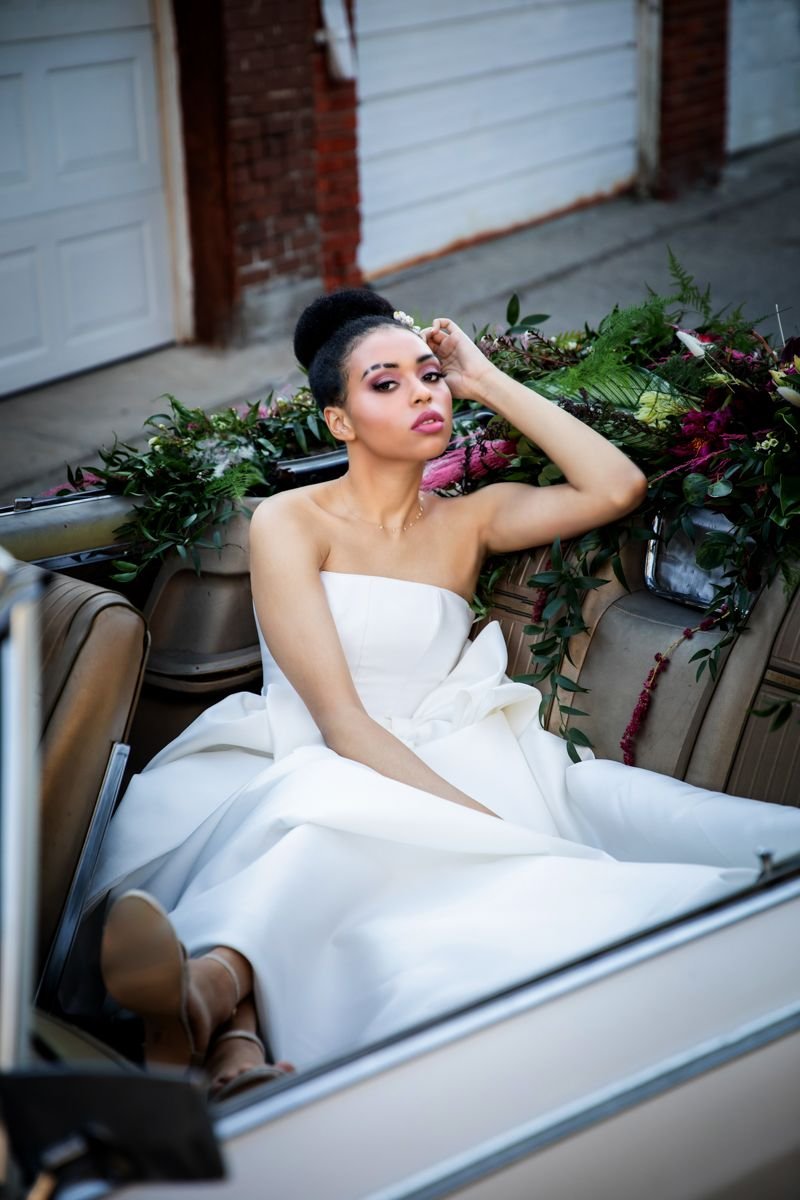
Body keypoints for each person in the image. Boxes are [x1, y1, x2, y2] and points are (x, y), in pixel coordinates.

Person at [86, 289, 800, 1100]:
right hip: (309, 743)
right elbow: (341, 722)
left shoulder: (472, 519)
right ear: (339, 423)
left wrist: (485, 377)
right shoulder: (290, 521)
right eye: (384, 384)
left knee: (332, 822)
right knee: (324, 802)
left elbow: (617, 488)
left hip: (454, 745)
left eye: (429, 376)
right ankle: (220, 1016)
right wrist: (474, 826)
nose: (424, 393)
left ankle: (215, 1004)